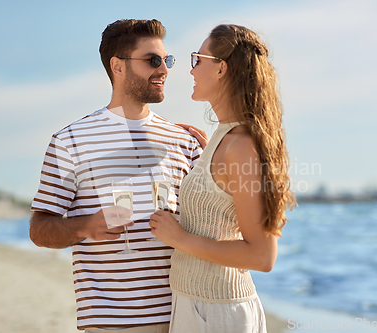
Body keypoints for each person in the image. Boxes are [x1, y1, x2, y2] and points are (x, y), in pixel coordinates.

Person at [29, 19, 204, 332]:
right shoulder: (70, 141)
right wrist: (86, 226)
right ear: (118, 66)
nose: (163, 70)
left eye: (167, 60)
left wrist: (217, 157)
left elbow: (213, 222)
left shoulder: (185, 141)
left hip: (185, 316)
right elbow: (40, 229)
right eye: (152, 60)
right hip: (111, 323)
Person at [149, 24, 296, 333]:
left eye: (197, 60)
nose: (191, 71)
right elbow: (221, 200)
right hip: (198, 306)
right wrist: (206, 159)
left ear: (221, 68)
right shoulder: (224, 139)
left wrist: (180, 239)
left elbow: (262, 255)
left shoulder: (240, 145)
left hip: (217, 314)